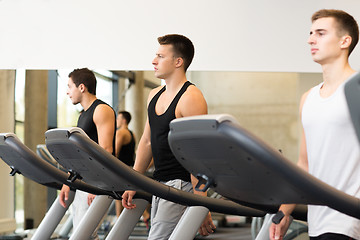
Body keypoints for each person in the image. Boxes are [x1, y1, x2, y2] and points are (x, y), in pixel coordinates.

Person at [269, 9, 360, 240]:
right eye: (311, 33)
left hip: (349, 220)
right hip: (317, 220)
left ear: (344, 41)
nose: (310, 39)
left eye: (320, 33)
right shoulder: (308, 98)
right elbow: (304, 164)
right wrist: (284, 211)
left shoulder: (357, 90)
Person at [122, 34, 216, 239]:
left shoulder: (191, 97)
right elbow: (147, 141)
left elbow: (198, 154)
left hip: (181, 185)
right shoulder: (154, 94)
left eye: (160, 56)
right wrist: (133, 181)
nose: (154, 61)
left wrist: (202, 203)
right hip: (160, 182)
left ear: (178, 61)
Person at [58, 68, 116, 239]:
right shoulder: (83, 115)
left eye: (70, 86)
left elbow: (106, 150)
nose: (67, 92)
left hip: (96, 182)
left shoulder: (101, 110)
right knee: (82, 233)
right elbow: (80, 154)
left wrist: (97, 186)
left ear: (81, 87)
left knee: (84, 234)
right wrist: (68, 182)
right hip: (85, 181)